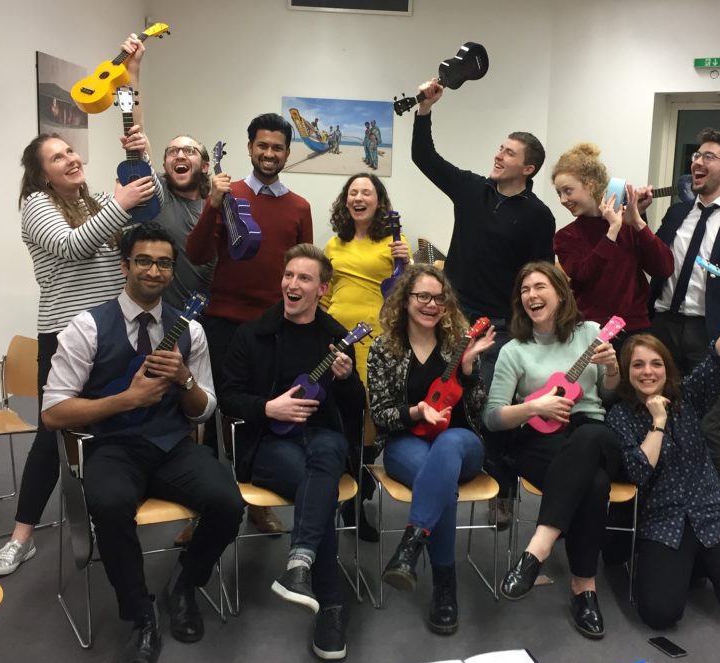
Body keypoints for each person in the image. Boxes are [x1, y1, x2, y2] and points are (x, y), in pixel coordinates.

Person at [41, 224, 244, 663]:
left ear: (173, 272)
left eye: (164, 263)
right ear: (125, 265)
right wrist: (124, 401)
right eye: (144, 261)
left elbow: (205, 408)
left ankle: (185, 583)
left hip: (172, 444)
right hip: (112, 446)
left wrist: (184, 380)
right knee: (110, 506)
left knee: (229, 502)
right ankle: (141, 616)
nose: (154, 270)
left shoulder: (189, 329)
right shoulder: (87, 326)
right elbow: (53, 411)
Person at [0, 129, 160, 576]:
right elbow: (71, 245)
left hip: (109, 330)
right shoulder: (37, 207)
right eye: (57, 157)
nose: (70, 159)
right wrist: (120, 204)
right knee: (53, 432)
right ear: (42, 174)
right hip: (64, 332)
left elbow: (143, 218)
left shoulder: (100, 199)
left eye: (70, 151)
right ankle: (21, 537)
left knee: (111, 420)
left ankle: (103, 516)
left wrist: (141, 159)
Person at [411, 78, 556, 525]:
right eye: (499, 148)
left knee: (491, 406)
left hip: (499, 324)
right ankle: (448, 473)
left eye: (509, 153)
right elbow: (425, 158)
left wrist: (532, 326)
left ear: (527, 169)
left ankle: (502, 490)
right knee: (445, 394)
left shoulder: (538, 215)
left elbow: (539, 276)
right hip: (451, 317)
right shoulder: (472, 189)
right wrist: (424, 112)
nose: (499, 155)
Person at [219, 244, 365, 661]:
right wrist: (267, 408)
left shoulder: (338, 338)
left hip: (323, 438)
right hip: (268, 440)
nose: (293, 284)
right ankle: (330, 601)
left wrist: (349, 380)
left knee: (325, 457)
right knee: (318, 488)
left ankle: (301, 566)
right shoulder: (252, 334)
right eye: (289, 276)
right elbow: (228, 397)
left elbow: (354, 410)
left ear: (323, 288)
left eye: (304, 278)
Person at [606, 285, 720, 633]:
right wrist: (658, 422)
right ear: (627, 371)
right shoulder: (620, 417)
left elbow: (719, 359)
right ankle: (692, 563)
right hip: (665, 521)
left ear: (667, 368)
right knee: (659, 613)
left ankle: (701, 561)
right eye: (638, 365)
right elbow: (638, 471)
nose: (648, 372)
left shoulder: (687, 398)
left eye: (656, 364)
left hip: (712, 511)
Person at [186, 112, 313, 533]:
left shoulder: (299, 207)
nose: (269, 153)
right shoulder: (228, 193)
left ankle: (256, 500)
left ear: (287, 153)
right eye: (262, 145)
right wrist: (211, 205)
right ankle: (205, 509)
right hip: (222, 323)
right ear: (250, 148)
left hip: (272, 328)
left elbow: (304, 269)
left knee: (259, 416)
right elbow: (198, 253)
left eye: (277, 147)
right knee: (212, 418)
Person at [484, 261, 621, 639]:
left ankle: (537, 549)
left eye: (540, 286)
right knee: (592, 485)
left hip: (592, 431)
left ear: (561, 292)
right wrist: (533, 407)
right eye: (525, 289)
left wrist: (611, 370)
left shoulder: (591, 333)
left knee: (589, 439)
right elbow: (493, 417)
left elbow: (610, 396)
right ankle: (584, 587)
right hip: (540, 439)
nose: (532, 295)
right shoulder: (514, 350)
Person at [367, 264, 494, 635]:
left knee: (450, 447)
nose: (432, 304)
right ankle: (444, 584)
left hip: (461, 442)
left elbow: (477, 410)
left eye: (439, 298)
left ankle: (411, 545)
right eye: (423, 296)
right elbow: (381, 413)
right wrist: (415, 411)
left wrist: (469, 373)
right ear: (405, 300)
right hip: (407, 444)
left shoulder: (461, 345)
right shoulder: (384, 349)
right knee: (442, 484)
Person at [647, 128, 720, 506]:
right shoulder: (677, 211)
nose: (697, 162)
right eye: (696, 155)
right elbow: (654, 259)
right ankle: (657, 503)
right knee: (654, 417)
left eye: (708, 157)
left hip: (709, 334)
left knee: (705, 425)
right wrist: (637, 216)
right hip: (662, 326)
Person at [321, 173, 410, 539]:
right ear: (346, 201)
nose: (358, 197)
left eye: (366, 192)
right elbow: (324, 292)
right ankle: (349, 498)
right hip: (337, 337)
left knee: (373, 416)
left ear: (379, 201)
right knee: (341, 414)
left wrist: (408, 261)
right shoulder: (333, 244)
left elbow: (404, 290)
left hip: (378, 339)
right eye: (352, 192)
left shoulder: (393, 242)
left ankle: (360, 487)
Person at [120, 33, 215, 310]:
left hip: (202, 317)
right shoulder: (156, 194)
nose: (180, 155)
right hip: (154, 315)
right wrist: (133, 69)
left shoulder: (215, 207)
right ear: (163, 165)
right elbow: (136, 132)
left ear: (205, 166)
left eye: (189, 151)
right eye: (173, 151)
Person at [551, 143, 673, 351]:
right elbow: (584, 274)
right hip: (589, 330)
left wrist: (638, 222)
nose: (563, 200)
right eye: (559, 193)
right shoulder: (565, 237)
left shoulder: (627, 225)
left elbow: (664, 268)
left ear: (590, 185)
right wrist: (612, 232)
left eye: (568, 191)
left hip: (634, 328)